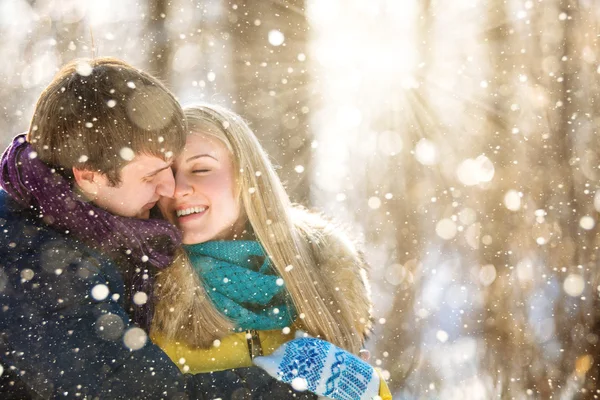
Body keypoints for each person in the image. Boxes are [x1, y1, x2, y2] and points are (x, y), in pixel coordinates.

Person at [0, 58, 310, 399]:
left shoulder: (77, 234)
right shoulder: (36, 260)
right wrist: (302, 389)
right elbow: (143, 393)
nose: (170, 188)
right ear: (87, 175)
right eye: (151, 175)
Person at [151, 104, 392, 399]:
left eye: (200, 169)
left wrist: (371, 389)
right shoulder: (147, 290)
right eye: (167, 174)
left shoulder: (326, 278)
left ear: (247, 177)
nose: (177, 189)